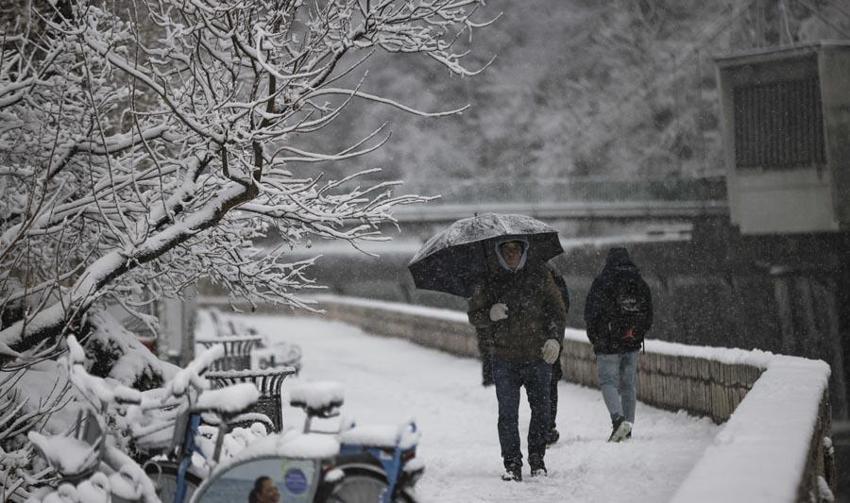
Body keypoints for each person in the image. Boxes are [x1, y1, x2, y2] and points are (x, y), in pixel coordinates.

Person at [468, 239, 566, 481]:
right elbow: (474, 315)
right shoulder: (490, 278)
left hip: (537, 357)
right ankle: (512, 464)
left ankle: (537, 459)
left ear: (524, 251)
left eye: (516, 249)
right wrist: (489, 314)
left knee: (541, 411)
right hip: (504, 358)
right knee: (508, 414)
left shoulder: (540, 274)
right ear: (500, 254)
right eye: (506, 250)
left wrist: (554, 339)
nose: (512, 254)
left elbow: (557, 310)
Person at [584, 247, 653, 443]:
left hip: (608, 344)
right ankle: (628, 426)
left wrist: (596, 337)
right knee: (628, 385)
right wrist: (636, 333)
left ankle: (618, 419)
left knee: (608, 382)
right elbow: (648, 315)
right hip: (631, 343)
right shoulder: (639, 283)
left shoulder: (602, 282)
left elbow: (590, 313)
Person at [545, 262, 569, 446]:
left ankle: (544, 425)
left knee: (544, 385)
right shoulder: (554, 271)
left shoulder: (549, 273)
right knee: (550, 384)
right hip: (551, 338)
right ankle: (547, 425)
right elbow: (564, 306)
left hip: (543, 339)